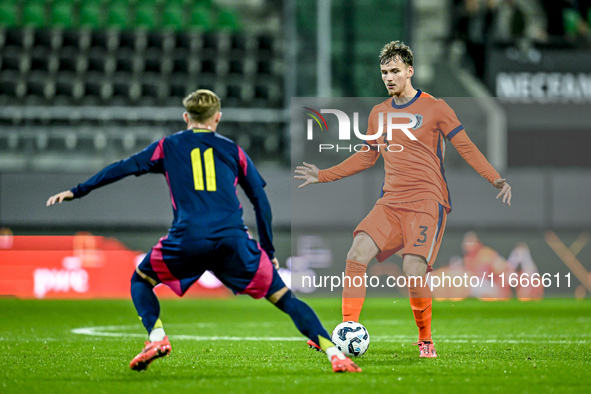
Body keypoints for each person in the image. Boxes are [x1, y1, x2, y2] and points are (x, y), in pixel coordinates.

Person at [47, 89, 361, 373]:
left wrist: (79, 190)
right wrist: (268, 249)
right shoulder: (233, 150)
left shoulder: (168, 146)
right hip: (232, 240)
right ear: (217, 117)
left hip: (188, 238)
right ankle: (335, 354)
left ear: (186, 117)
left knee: (141, 280)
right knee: (285, 298)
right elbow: (260, 200)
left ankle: (156, 337)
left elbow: (125, 166)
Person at [295, 41, 512, 358]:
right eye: (384, 72)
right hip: (390, 202)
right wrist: (324, 174)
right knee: (356, 254)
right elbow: (367, 157)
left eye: (395, 71)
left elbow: (465, 146)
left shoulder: (436, 108)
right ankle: (344, 333)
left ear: (410, 71)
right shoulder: (379, 113)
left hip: (426, 201)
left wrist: (494, 177)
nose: (389, 77)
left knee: (413, 269)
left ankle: (425, 338)